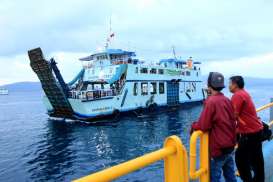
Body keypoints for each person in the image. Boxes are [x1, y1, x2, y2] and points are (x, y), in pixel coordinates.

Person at [191, 72, 237, 182]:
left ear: (209, 85)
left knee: (214, 177)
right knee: (230, 175)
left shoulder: (211, 101)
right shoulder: (226, 99)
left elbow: (203, 125)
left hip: (219, 149)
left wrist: (193, 126)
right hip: (230, 145)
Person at [229, 76, 264, 182]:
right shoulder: (244, 93)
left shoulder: (237, 95)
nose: (229, 86)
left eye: (230, 83)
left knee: (240, 159)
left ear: (235, 84)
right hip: (257, 131)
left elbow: (232, 116)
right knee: (257, 160)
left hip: (249, 134)